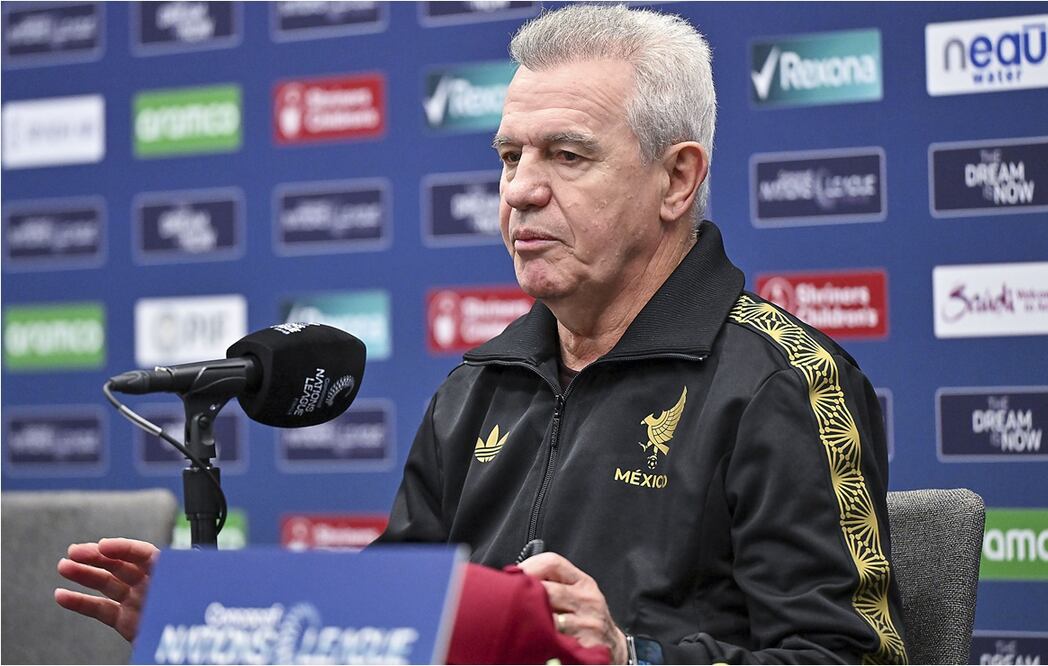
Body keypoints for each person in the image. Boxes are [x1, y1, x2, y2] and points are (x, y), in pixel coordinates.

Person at [56, 5, 907, 664]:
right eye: (509, 156)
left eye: (567, 156)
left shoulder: (780, 383)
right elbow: (384, 624)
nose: (520, 190)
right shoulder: (481, 384)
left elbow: (853, 656)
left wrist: (630, 656)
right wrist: (222, 625)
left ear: (676, 180)